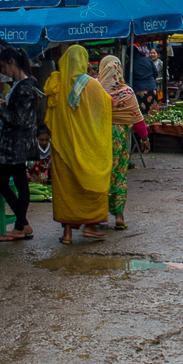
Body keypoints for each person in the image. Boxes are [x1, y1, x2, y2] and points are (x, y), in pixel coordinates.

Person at [45, 45, 113, 244]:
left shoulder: (56, 84)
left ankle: (66, 234)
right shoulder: (91, 85)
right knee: (91, 186)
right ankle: (90, 226)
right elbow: (105, 106)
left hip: (62, 147)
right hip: (88, 147)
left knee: (65, 191)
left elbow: (48, 118)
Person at [0, 48, 44, 242]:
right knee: (5, 182)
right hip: (13, 142)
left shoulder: (26, 86)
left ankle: (19, 227)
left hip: (17, 143)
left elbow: (18, 118)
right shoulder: (21, 84)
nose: (3, 72)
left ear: (11, 62)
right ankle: (23, 223)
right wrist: (4, 105)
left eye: (3, 66)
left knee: (17, 182)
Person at [98, 54, 146, 230]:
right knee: (119, 174)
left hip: (99, 136)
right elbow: (137, 118)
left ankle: (97, 214)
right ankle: (119, 216)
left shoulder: (96, 90)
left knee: (101, 173)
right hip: (120, 138)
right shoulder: (127, 92)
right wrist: (145, 138)